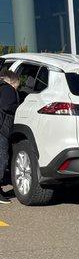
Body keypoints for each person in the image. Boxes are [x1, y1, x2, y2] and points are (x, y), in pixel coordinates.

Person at [0, 70, 19, 204]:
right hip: (2, 128)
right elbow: (7, 106)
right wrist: (19, 107)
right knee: (2, 158)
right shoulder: (8, 89)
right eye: (18, 85)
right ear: (13, 81)